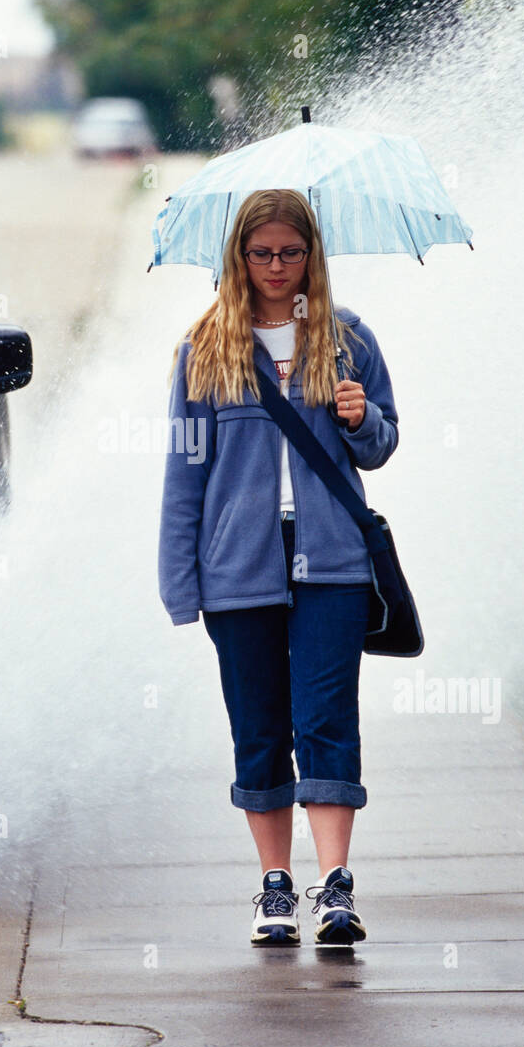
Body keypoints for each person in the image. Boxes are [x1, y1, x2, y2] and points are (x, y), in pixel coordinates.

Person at [157, 188, 399, 947]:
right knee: (260, 730)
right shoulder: (205, 349)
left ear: (310, 256)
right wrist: (179, 582)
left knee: (327, 721)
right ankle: (273, 889)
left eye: (289, 252)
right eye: (260, 253)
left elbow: (381, 447)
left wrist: (361, 420)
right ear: (239, 256)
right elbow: (183, 473)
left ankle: (334, 888)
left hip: (331, 564)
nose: (274, 266)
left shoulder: (348, 339)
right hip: (238, 570)